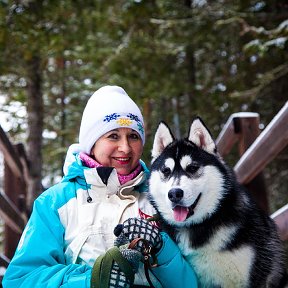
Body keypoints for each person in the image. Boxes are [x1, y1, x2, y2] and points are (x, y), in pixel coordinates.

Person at [3, 86, 198, 287]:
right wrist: (92, 280)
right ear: (92, 142)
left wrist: (161, 249)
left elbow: (194, 283)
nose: (125, 147)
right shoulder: (55, 202)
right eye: (113, 136)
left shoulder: (165, 198)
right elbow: (20, 280)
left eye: (133, 136)